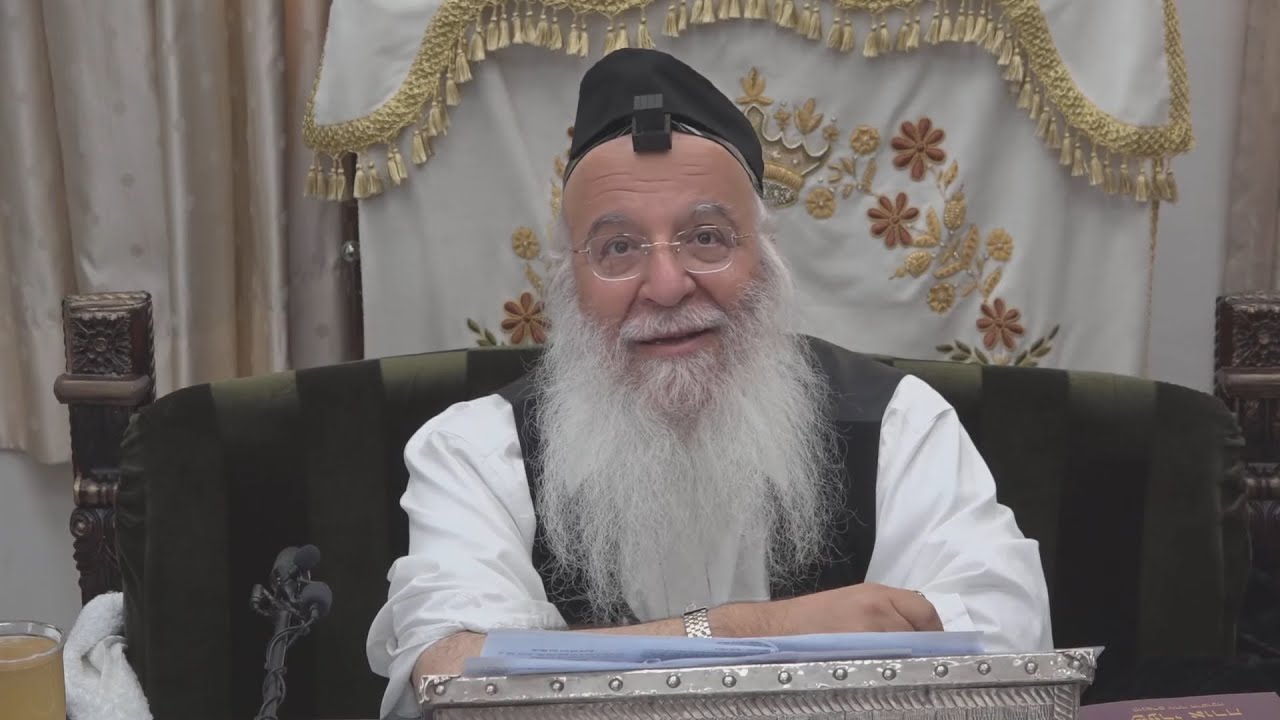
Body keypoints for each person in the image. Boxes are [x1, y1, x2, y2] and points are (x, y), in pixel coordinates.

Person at [366, 48, 1052, 718]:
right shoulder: (476, 452)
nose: (666, 287)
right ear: (567, 278)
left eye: (706, 238)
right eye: (618, 249)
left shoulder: (895, 422)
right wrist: (752, 629)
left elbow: (1005, 640)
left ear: (767, 255)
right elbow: (449, 674)